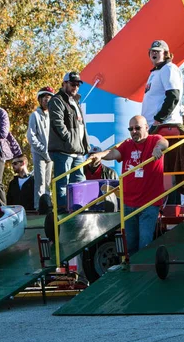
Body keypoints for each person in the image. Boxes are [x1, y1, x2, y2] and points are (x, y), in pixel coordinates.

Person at [89, 115, 169, 255]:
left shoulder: (154, 140)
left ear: (146, 127)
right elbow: (113, 153)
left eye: (137, 128)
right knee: (130, 246)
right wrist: (99, 155)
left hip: (148, 204)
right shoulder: (127, 144)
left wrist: (158, 148)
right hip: (128, 203)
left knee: (144, 244)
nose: (133, 131)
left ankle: (144, 274)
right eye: (130, 128)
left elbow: (164, 142)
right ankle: (133, 271)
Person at [141, 40, 184, 200]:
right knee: (156, 170)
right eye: (151, 51)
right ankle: (161, 203)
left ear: (166, 53)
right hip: (154, 127)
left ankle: (170, 204)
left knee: (166, 169)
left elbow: (173, 95)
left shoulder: (169, 69)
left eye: (158, 51)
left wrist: (158, 119)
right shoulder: (155, 72)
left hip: (166, 126)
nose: (154, 53)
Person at [48, 72, 90, 212]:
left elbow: (81, 126)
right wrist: (70, 140)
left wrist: (85, 145)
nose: (75, 87)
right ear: (64, 84)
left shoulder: (76, 101)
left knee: (79, 182)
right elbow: (58, 123)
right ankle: (61, 213)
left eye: (78, 84)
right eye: (72, 84)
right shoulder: (56, 100)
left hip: (77, 151)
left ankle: (78, 210)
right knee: (62, 184)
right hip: (63, 150)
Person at [27, 86, 55, 209]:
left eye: (49, 99)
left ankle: (48, 205)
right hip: (39, 154)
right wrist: (43, 150)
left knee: (48, 182)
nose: (47, 101)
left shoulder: (53, 116)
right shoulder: (35, 116)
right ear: (40, 100)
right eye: (44, 98)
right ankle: (39, 206)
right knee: (40, 182)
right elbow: (31, 136)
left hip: (51, 154)